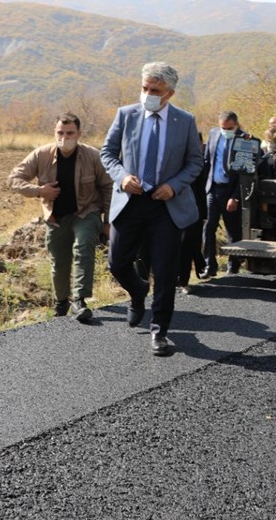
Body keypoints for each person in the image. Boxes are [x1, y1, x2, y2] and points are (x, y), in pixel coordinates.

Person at [101, 62, 204, 357]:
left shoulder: (184, 121)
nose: (148, 94)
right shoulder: (126, 115)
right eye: (145, 88)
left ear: (169, 93)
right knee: (117, 262)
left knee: (165, 270)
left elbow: (195, 162)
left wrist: (174, 185)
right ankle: (137, 291)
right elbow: (107, 153)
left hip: (165, 206)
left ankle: (160, 331)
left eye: (155, 90)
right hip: (130, 201)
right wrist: (122, 178)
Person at [8, 113, 112, 324]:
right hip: (56, 217)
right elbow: (14, 179)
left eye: (70, 133)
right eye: (60, 133)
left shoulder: (92, 156)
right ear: (54, 133)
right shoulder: (41, 155)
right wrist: (39, 190)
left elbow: (108, 187)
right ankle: (61, 301)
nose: (65, 137)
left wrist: (108, 222)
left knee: (83, 249)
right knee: (59, 260)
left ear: (79, 134)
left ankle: (80, 300)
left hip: (86, 211)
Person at [203, 110, 250, 277]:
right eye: (223, 127)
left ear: (236, 125)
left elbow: (245, 172)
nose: (225, 130)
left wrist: (235, 196)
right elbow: (208, 161)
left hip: (231, 191)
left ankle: (233, 265)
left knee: (232, 230)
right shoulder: (214, 134)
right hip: (213, 189)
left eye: (229, 128)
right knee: (209, 227)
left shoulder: (245, 139)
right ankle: (210, 265)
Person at [176, 131, 209, 295]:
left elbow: (202, 190)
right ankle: (173, 279)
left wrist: (203, 214)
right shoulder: (175, 160)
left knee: (188, 246)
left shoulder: (199, 163)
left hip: (193, 210)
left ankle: (183, 280)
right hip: (174, 207)